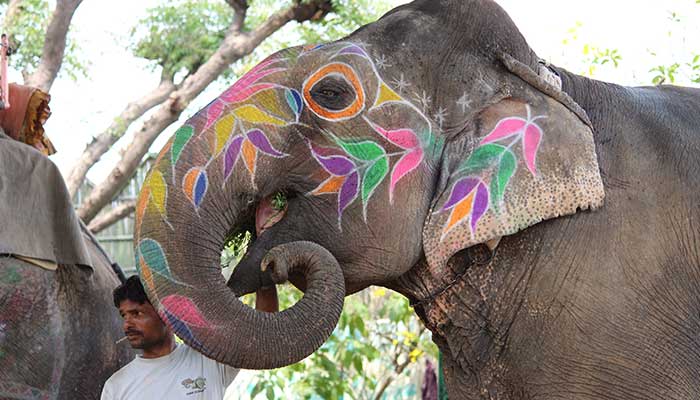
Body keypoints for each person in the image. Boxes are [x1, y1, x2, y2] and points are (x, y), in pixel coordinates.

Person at [101, 276, 278, 399]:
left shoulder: (208, 357)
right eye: (124, 315)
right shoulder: (116, 386)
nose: (127, 325)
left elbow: (262, 334)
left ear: (165, 313)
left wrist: (264, 280)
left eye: (137, 313)